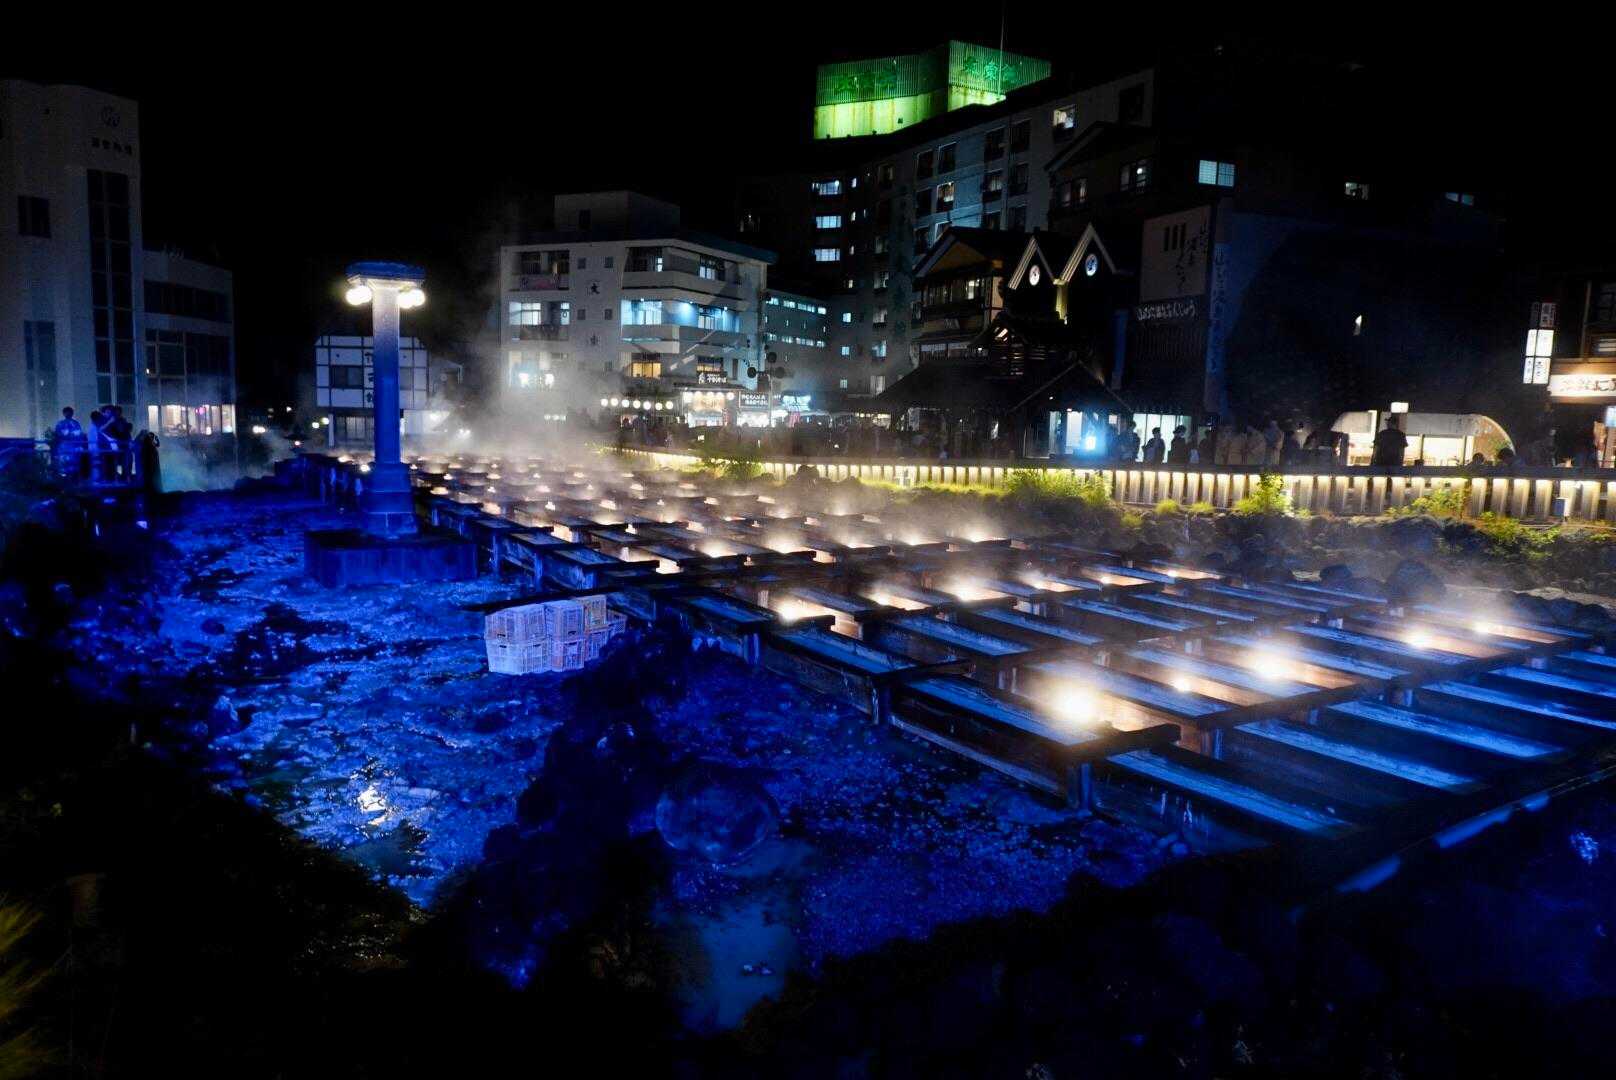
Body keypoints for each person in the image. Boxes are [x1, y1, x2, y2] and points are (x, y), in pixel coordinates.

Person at [50, 406, 85, 477]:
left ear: (72, 413)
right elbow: (58, 435)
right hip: (64, 447)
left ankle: (73, 476)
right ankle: (65, 476)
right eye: (66, 412)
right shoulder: (60, 424)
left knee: (73, 463)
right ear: (64, 413)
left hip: (73, 447)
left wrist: (79, 445)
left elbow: (79, 435)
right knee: (64, 463)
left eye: (70, 412)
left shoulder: (75, 423)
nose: (68, 414)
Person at [136, 429, 162, 494]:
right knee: (151, 475)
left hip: (153, 464)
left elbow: (158, 445)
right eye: (150, 436)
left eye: (151, 436)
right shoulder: (146, 444)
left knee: (152, 475)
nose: (151, 437)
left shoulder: (150, 443)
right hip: (150, 464)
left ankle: (153, 487)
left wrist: (157, 439)